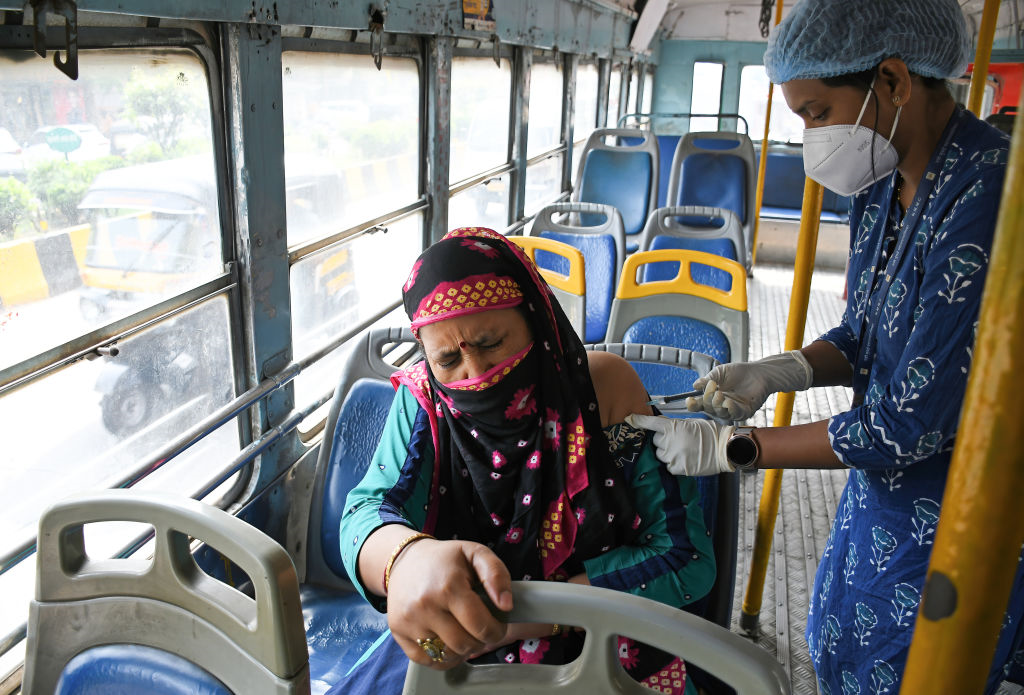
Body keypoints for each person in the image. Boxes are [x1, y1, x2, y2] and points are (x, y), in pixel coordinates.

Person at [627, 0, 1024, 692]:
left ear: (895, 82)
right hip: (880, 498)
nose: (812, 137)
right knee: (843, 647)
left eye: (815, 113)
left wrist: (739, 448)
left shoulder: (990, 198)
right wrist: (787, 368)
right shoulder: (880, 184)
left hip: (959, 511)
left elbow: (909, 422)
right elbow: (866, 330)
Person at [330, 227, 715, 695]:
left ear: (536, 319)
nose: (476, 375)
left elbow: (685, 558)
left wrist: (537, 615)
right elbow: (364, 516)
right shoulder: (426, 402)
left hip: (603, 636)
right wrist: (406, 559)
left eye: (491, 343)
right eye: (449, 359)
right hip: (463, 636)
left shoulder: (602, 390)